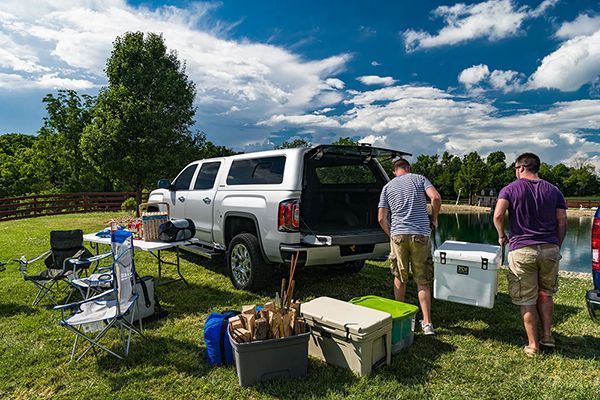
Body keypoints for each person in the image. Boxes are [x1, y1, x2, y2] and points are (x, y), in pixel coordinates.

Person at [493, 153, 567, 357]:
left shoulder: (510, 189)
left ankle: (533, 345)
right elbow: (562, 221)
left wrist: (502, 235)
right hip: (550, 248)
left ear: (521, 167)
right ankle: (547, 336)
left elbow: (498, 215)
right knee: (545, 293)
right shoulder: (554, 190)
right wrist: (556, 245)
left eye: (515, 168)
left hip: (522, 249)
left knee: (527, 297)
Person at [378, 158, 442, 335]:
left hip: (398, 234)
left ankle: (401, 318)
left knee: (400, 276)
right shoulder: (420, 179)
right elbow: (435, 197)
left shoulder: (387, 187)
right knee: (422, 280)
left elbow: (381, 218)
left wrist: (392, 234)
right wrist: (435, 218)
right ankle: (427, 323)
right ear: (409, 168)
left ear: (394, 171)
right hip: (420, 234)